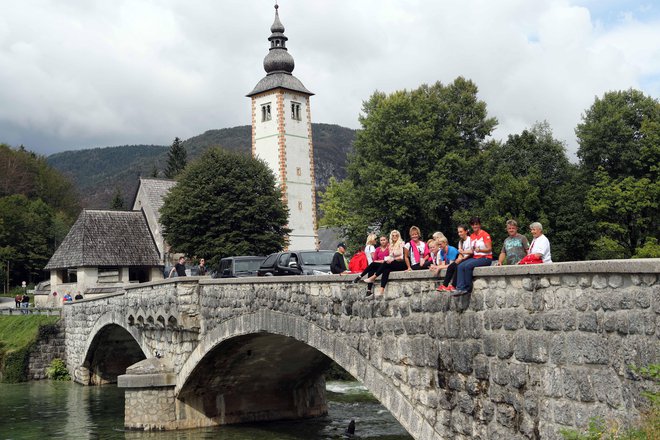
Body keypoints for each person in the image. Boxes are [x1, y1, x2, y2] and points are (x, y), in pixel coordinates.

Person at [454, 217, 493, 296]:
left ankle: (468, 289)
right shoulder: (472, 236)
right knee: (460, 266)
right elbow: (472, 251)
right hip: (476, 257)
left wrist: (480, 250)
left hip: (486, 258)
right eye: (473, 224)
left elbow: (489, 249)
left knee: (468, 266)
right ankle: (460, 288)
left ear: (479, 225)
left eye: (476, 224)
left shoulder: (485, 235)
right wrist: (463, 252)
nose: (475, 226)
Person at [364, 230, 408, 297]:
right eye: (393, 235)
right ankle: (381, 290)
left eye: (396, 235)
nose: (394, 237)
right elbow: (390, 256)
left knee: (386, 264)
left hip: (401, 263)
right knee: (386, 269)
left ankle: (373, 277)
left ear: (398, 236)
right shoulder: (391, 245)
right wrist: (387, 259)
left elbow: (402, 257)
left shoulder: (402, 243)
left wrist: (392, 259)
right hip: (393, 264)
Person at [437, 226, 471, 292]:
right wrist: (459, 258)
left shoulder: (470, 239)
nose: (459, 233)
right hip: (462, 258)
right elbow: (460, 253)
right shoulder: (460, 242)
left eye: (461, 232)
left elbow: (471, 251)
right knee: (451, 266)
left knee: (458, 267)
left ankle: (453, 286)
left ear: (466, 231)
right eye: (458, 232)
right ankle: (445, 285)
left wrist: (462, 258)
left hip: (468, 258)